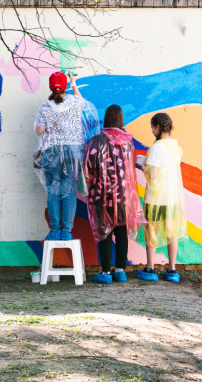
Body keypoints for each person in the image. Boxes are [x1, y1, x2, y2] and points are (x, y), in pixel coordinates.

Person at [34, 71, 100, 241]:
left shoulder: (45, 107)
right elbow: (82, 102)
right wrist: (73, 83)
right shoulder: (74, 102)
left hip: (51, 152)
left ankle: (55, 230)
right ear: (65, 87)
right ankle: (67, 231)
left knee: (53, 191)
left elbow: (39, 130)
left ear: (51, 87)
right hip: (73, 151)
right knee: (69, 191)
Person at [83, 105, 146, 284]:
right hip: (124, 196)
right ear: (120, 120)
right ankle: (120, 271)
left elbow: (88, 167)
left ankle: (105, 273)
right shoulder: (127, 142)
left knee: (104, 232)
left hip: (101, 195)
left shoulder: (96, 141)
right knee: (121, 232)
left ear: (106, 119)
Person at [135, 112, 186, 283]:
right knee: (172, 233)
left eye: (152, 127)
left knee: (151, 231)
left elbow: (154, 174)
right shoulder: (174, 146)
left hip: (155, 198)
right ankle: (172, 270)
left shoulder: (157, 147)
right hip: (171, 198)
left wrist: (142, 166)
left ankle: (150, 269)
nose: (151, 131)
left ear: (157, 127)